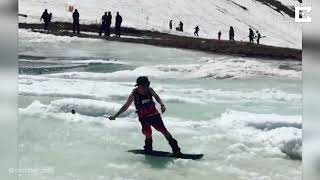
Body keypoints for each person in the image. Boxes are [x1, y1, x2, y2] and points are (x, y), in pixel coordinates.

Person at [109, 76, 182, 156]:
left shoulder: (149, 90)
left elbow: (156, 97)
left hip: (154, 115)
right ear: (139, 85)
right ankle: (148, 149)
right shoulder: (134, 95)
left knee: (164, 131)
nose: (146, 87)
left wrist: (162, 105)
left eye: (147, 85)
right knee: (148, 133)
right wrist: (115, 116)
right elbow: (125, 107)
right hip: (143, 117)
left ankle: (176, 150)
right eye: (145, 85)